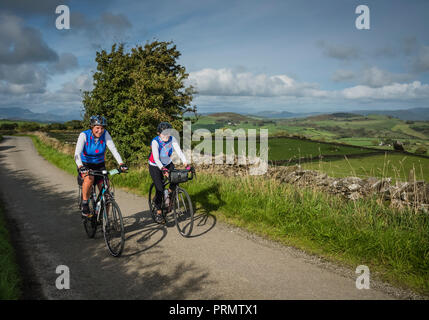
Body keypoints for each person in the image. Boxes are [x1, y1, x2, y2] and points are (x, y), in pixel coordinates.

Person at [74, 115, 127, 217]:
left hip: (99, 165)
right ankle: (85, 204)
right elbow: (77, 154)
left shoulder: (105, 134)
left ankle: (105, 220)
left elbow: (113, 149)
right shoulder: (84, 135)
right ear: (92, 127)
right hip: (85, 164)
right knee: (89, 179)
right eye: (97, 128)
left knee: (106, 194)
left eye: (102, 128)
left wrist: (121, 163)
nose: (100, 130)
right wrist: (81, 166)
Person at [148, 122, 188, 224]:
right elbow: (156, 158)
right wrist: (162, 169)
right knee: (160, 188)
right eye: (163, 134)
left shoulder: (172, 139)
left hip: (168, 163)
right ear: (159, 133)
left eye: (168, 133)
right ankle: (158, 212)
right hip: (155, 165)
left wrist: (186, 163)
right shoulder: (155, 142)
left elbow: (179, 152)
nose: (166, 136)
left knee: (176, 178)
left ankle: (169, 194)